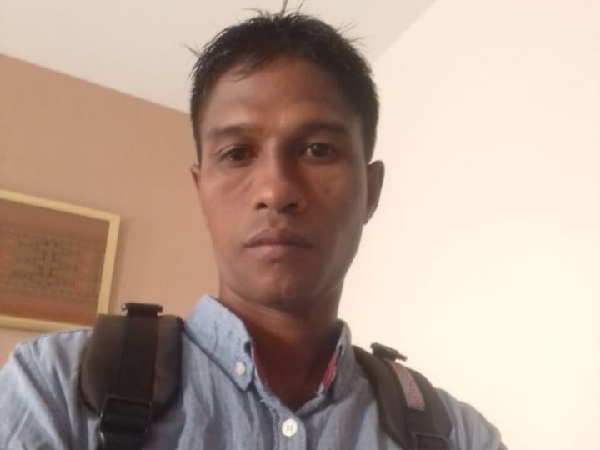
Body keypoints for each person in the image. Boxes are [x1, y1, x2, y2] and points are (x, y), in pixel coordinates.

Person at [0, 10, 507, 450]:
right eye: (237, 153)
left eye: (318, 150)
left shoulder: (458, 436)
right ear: (200, 190)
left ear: (370, 191)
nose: (275, 190)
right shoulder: (53, 387)